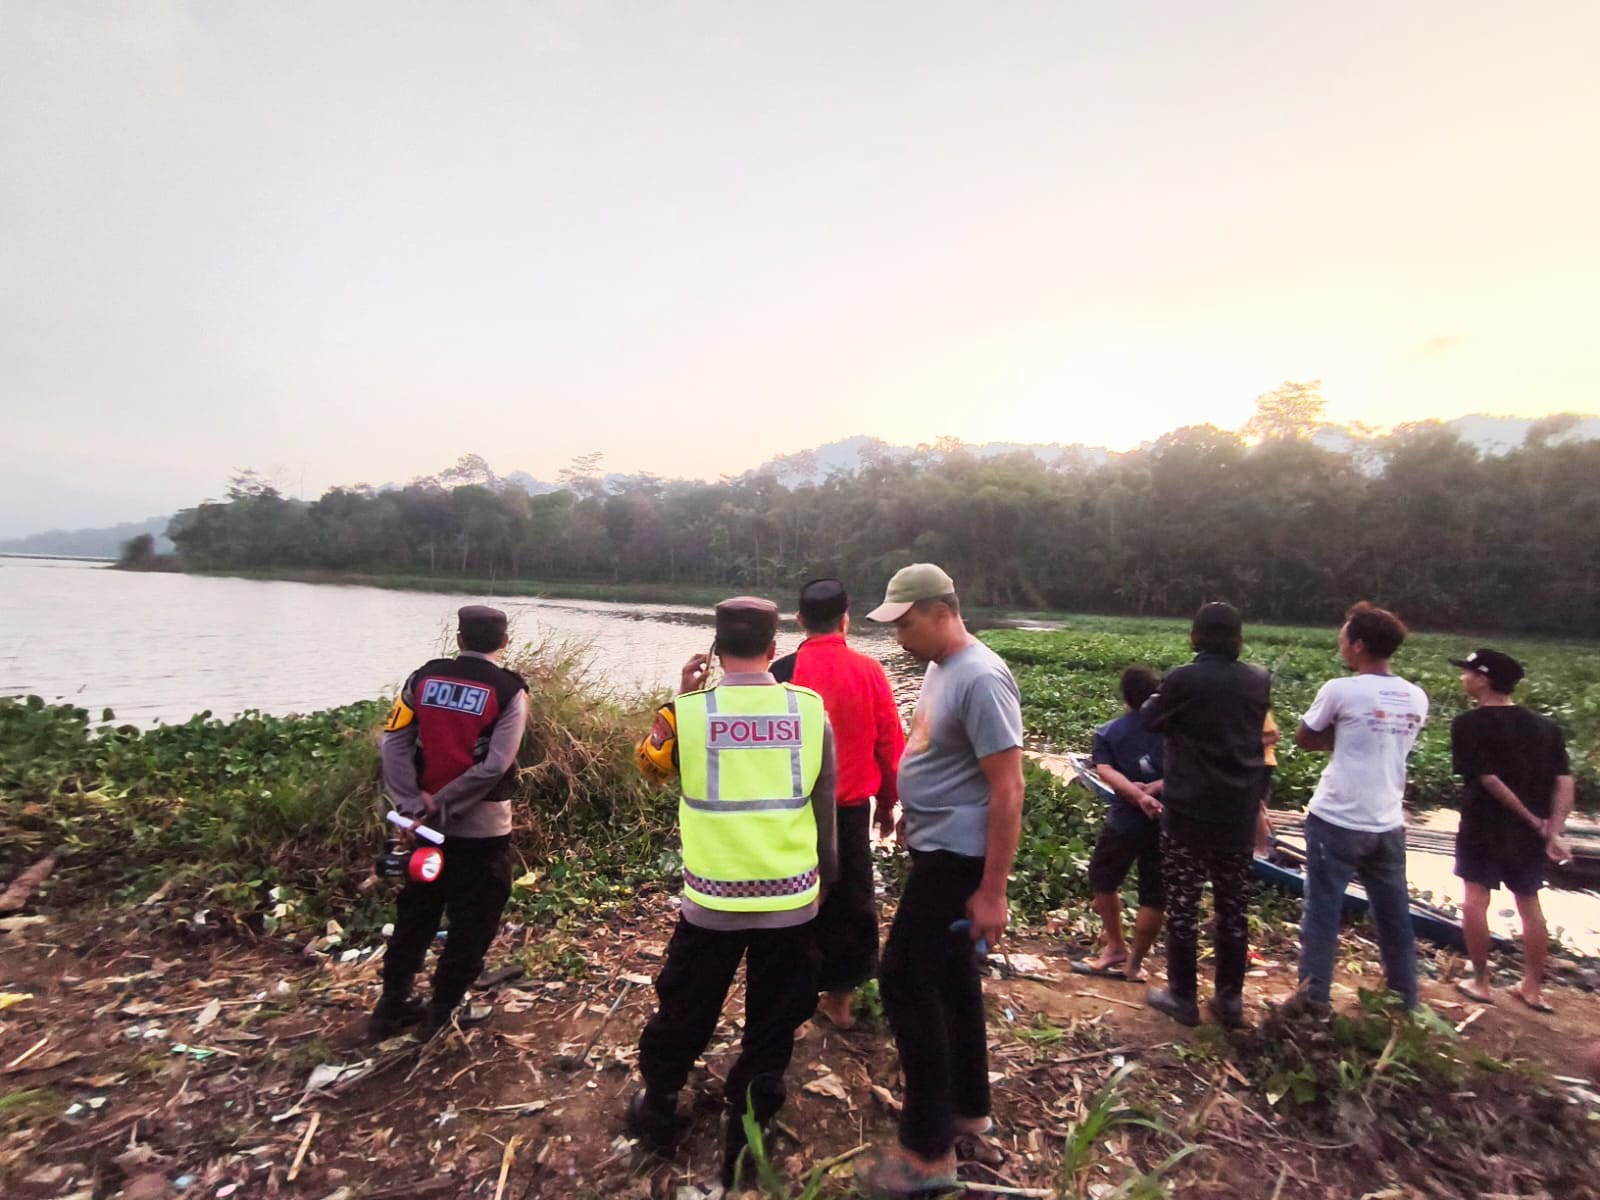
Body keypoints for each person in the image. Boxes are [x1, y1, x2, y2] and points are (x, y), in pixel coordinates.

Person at [627, 597, 839, 1188]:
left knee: (686, 1006)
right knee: (773, 1019)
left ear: (716, 651)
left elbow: (651, 770)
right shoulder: (810, 710)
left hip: (713, 901)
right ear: (775, 648)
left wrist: (680, 693)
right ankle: (746, 1132)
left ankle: (661, 1106)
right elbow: (826, 805)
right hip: (791, 900)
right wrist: (827, 879)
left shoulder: (686, 713)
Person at [857, 564, 1025, 1198]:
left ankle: (927, 1154)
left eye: (904, 622)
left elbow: (1008, 790)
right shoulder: (941, 667)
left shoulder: (981, 677)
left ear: (938, 610)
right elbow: (943, 762)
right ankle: (967, 1108)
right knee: (953, 979)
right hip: (938, 845)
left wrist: (993, 890)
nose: (897, 635)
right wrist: (913, 813)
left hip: (961, 860)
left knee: (902, 978)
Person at [370, 605, 529, 1040]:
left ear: (458, 638)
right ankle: (442, 1011)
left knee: (417, 911)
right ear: (504, 643)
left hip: (422, 830)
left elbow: (394, 742)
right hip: (481, 831)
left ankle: (392, 1004)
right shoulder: (509, 690)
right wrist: (441, 803)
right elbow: (496, 764)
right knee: (473, 921)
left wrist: (411, 803)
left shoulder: (422, 679)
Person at [771, 578, 905, 1029]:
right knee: (850, 903)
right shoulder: (870, 672)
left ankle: (792, 997)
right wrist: (888, 803)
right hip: (848, 814)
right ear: (846, 619)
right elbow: (890, 745)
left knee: (794, 902)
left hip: (791, 813)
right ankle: (840, 1001)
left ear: (801, 620)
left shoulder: (781, 674)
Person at [1291, 602, 1428, 1014]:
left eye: (1344, 636)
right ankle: (1405, 1002)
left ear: (1360, 645)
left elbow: (1304, 737)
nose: (1341, 643)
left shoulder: (1340, 690)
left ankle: (1313, 1001)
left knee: (1322, 912)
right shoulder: (1416, 696)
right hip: (1388, 821)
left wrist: (1345, 735)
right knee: (1393, 916)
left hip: (1336, 818)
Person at [1139, 602, 1269, 1029]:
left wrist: (1164, 695)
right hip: (1237, 813)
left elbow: (1150, 718)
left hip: (1188, 813)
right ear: (1238, 640)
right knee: (1232, 908)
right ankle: (1229, 1001)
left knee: (1183, 905)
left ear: (1195, 637)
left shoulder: (1184, 678)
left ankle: (1183, 997)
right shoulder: (1257, 680)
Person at [1449, 649, 1574, 1013]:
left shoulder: (1468, 724)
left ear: (1483, 679)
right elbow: (1564, 781)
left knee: (1475, 899)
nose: (1463, 678)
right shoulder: (1546, 727)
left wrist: (1533, 820)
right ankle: (1532, 987)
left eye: (1468, 672)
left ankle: (1481, 981)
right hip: (1530, 835)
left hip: (1483, 826)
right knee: (1529, 903)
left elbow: (1487, 779)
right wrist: (1553, 829)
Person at [1073, 666, 1165, 983]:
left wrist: (1136, 796)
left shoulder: (1109, 732)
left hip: (1125, 821)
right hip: (1167, 822)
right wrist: (1157, 789)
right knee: (1154, 894)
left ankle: (1115, 945)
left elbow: (1105, 770)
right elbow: (1191, 768)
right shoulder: (1177, 731)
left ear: (1125, 696)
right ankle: (1135, 964)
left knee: (1103, 879)